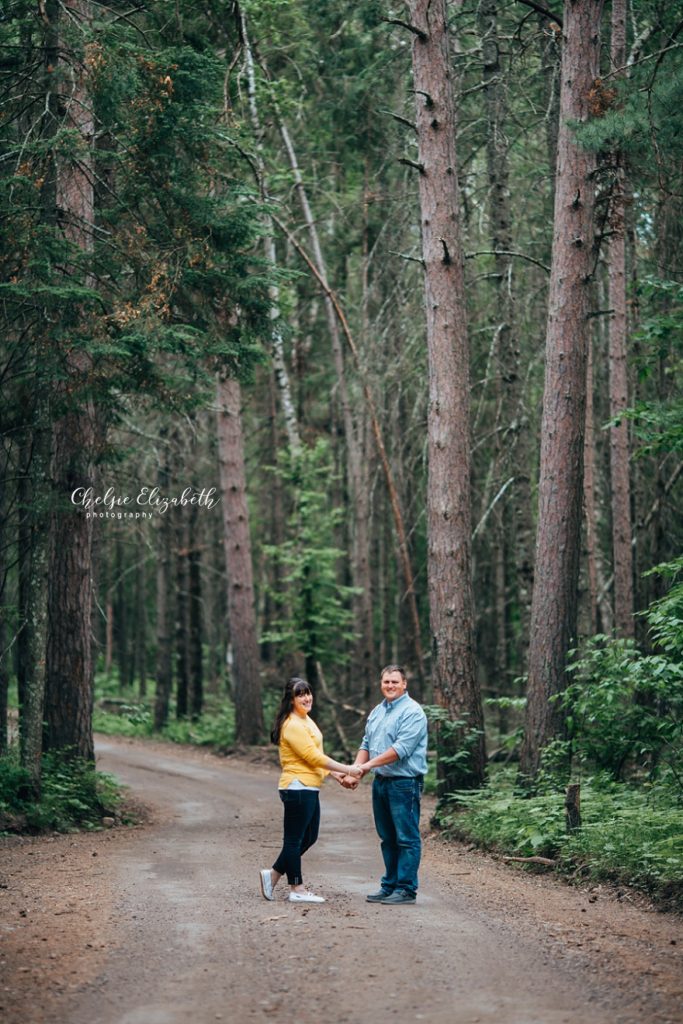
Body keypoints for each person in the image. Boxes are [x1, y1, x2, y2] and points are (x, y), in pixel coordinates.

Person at [260, 677, 362, 904]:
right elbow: (313, 757)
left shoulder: (305, 720)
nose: (307, 698)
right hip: (297, 786)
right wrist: (349, 769)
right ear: (291, 699)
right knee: (294, 840)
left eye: (308, 692)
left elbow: (314, 759)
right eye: (300, 694)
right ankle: (297, 888)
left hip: (309, 786)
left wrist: (337, 776)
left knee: (309, 837)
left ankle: (274, 874)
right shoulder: (292, 724)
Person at [343, 664, 428, 905]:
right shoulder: (377, 711)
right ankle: (389, 886)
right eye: (386, 682)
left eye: (394, 682)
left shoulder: (413, 712)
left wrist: (365, 768)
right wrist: (354, 772)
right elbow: (366, 743)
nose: (390, 686)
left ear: (404, 684)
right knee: (387, 838)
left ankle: (406, 889)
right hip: (381, 783)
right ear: (381, 684)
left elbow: (400, 750)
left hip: (404, 784)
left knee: (406, 838)